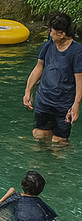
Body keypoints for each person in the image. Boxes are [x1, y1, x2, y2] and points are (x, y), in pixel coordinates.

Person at [23, 12, 82, 143]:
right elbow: (39, 67)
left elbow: (79, 80)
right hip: (44, 100)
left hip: (64, 105)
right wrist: (28, 91)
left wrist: (76, 105)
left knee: (59, 142)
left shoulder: (77, 51)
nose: (50, 34)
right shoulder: (48, 45)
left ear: (62, 33)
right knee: (39, 136)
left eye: (52, 31)